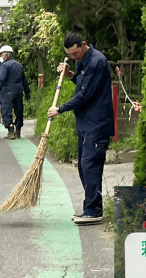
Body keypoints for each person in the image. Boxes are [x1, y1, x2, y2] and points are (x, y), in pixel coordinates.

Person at [47, 31, 114, 226]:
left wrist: (59, 109)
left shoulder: (96, 61)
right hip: (85, 124)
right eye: (71, 55)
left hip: (97, 123)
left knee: (90, 165)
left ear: (84, 45)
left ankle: (92, 210)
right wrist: (70, 75)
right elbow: (82, 83)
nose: (74, 57)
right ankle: (92, 207)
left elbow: (84, 95)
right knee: (84, 167)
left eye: (76, 54)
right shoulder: (83, 61)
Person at [0, 45, 30, 139]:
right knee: (18, 110)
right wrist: (27, 92)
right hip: (18, 90)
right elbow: (24, 79)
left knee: (6, 110)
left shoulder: (5, 65)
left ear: (5, 55)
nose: (0, 57)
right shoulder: (19, 65)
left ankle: (10, 130)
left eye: (1, 55)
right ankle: (18, 131)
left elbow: (1, 78)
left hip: (7, 90)